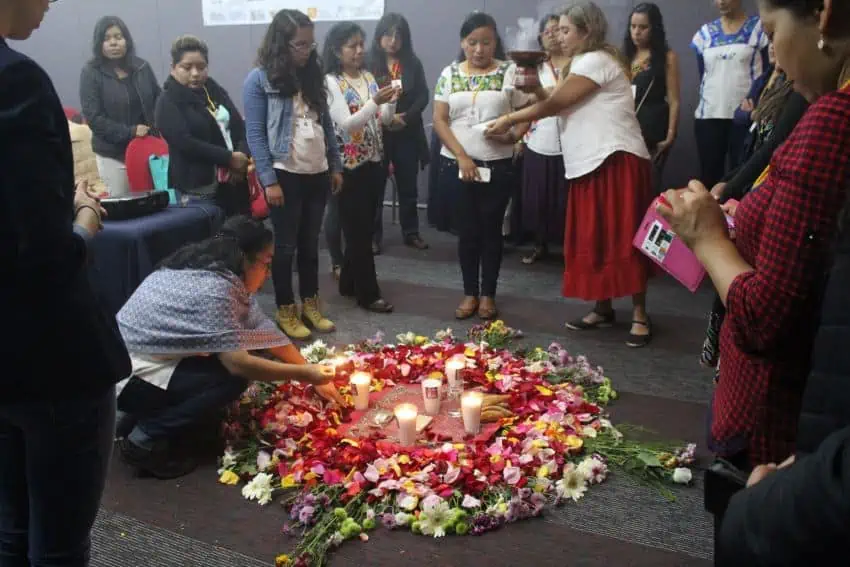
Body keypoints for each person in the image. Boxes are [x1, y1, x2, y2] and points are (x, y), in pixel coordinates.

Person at [657, 0, 850, 542]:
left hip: (779, 420)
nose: (774, 55)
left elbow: (767, 317)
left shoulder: (833, 118)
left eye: (771, 30)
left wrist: (709, 239)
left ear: (825, 16)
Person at [1, 1, 133, 565]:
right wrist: (82, 222)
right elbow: (39, 252)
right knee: (57, 542)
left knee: (10, 531)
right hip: (46, 351)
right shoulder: (16, 81)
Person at [116, 217, 342, 479]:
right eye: (266, 263)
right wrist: (305, 375)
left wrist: (309, 370)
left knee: (240, 354)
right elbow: (238, 363)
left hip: (136, 363)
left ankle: (138, 417)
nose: (267, 273)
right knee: (233, 378)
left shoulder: (209, 270)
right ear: (245, 257)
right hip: (129, 376)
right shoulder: (215, 289)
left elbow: (265, 330)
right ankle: (143, 440)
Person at [487, 1, 654, 347]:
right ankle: (603, 307)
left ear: (586, 32)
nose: (557, 36)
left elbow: (553, 105)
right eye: (557, 30)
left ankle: (639, 314)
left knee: (623, 237)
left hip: (615, 159)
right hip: (589, 162)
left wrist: (509, 119)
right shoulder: (581, 64)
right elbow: (555, 99)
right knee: (596, 239)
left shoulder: (595, 60)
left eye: (565, 30)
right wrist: (533, 88)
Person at [243, 9, 342, 340]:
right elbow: (255, 134)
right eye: (299, 45)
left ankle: (310, 304)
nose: (306, 51)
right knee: (285, 246)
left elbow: (325, 124)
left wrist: (335, 164)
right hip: (285, 174)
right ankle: (285, 309)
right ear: (281, 44)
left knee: (310, 245)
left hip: (317, 170)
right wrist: (268, 180)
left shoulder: (314, 75)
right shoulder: (258, 79)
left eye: (310, 45)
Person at [433, 12, 530, 321]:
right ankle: (469, 293)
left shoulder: (509, 71)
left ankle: (488, 294)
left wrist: (515, 134)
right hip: (457, 165)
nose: (478, 49)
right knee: (467, 232)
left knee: (491, 232)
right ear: (463, 42)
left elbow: (530, 107)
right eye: (472, 42)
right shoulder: (449, 73)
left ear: (495, 43)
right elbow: (439, 119)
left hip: (497, 166)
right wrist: (461, 155)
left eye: (486, 42)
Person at [323, 22, 398, 314]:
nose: (358, 50)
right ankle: (369, 294)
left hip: (374, 162)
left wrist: (391, 100)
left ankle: (348, 283)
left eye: (360, 44)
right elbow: (347, 124)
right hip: (347, 167)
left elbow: (386, 119)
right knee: (356, 232)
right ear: (336, 50)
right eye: (351, 45)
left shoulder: (368, 76)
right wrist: (374, 102)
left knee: (364, 229)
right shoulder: (330, 82)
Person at [155, 35, 251, 217]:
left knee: (242, 235)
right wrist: (228, 158)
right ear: (173, 68)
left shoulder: (213, 89)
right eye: (187, 67)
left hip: (234, 180)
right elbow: (185, 143)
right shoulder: (167, 100)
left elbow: (239, 126)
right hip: (197, 186)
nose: (195, 73)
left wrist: (241, 158)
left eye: (201, 67)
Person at [368, 13, 431, 253]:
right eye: (388, 34)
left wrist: (406, 117)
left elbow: (423, 95)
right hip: (378, 133)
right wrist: (383, 117)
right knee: (375, 187)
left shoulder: (412, 63)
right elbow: (363, 98)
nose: (393, 40)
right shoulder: (368, 64)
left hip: (407, 132)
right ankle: (373, 236)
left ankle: (411, 232)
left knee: (408, 187)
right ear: (379, 36)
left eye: (398, 35)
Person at [692, 0, 769, 189]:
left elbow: (769, 70)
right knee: (709, 177)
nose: (722, 1)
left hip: (744, 117)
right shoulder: (705, 34)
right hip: (709, 115)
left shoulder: (760, 29)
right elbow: (704, 74)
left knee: (741, 176)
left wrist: (756, 101)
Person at [80, 16, 160, 197]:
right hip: (112, 153)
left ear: (127, 40)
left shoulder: (141, 67)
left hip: (147, 149)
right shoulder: (90, 72)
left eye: (118, 37)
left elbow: (158, 100)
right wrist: (130, 132)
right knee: (126, 203)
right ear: (98, 43)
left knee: (155, 200)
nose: (113, 43)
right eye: (106, 39)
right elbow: (94, 118)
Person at [520, 14, 569, 265]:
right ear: (540, 37)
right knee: (537, 198)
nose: (552, 35)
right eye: (547, 31)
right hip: (539, 140)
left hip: (570, 143)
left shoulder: (575, 64)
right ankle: (539, 245)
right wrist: (518, 135)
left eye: (557, 30)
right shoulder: (535, 66)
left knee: (566, 200)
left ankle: (568, 248)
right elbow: (526, 103)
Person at [623, 2, 680, 192]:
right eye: (633, 27)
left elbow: (674, 100)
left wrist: (670, 136)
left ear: (654, 28)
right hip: (625, 128)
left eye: (643, 27)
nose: (636, 32)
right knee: (627, 184)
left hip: (653, 128)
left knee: (648, 184)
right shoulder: (625, 55)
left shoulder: (666, 56)